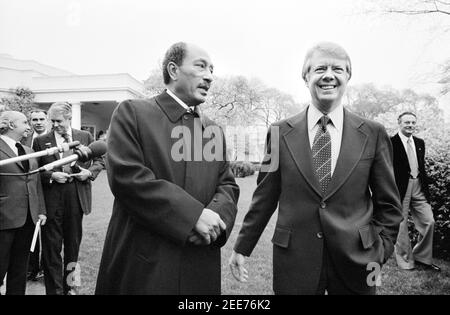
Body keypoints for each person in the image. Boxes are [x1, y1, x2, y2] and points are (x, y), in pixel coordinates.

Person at [229, 42, 403, 295]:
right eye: (320, 68)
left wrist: (381, 250)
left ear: (348, 76)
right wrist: (242, 247)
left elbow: (389, 205)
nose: (329, 75)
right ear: (306, 76)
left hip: (359, 260)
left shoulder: (373, 133)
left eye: (338, 69)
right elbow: (264, 197)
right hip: (294, 260)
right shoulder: (279, 132)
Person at [95, 42, 239, 295]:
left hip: (199, 261)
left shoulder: (212, 130)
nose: (210, 76)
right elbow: (127, 177)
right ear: (173, 70)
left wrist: (214, 220)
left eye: (212, 70)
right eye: (201, 66)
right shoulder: (132, 112)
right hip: (143, 264)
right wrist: (192, 217)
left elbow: (227, 184)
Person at [33, 102, 104, 295]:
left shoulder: (85, 136)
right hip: (52, 199)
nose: (55, 125)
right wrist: (51, 176)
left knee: (73, 246)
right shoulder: (41, 141)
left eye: (59, 121)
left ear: (69, 118)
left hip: (76, 196)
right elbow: (35, 171)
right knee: (51, 248)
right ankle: (54, 290)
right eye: (52, 121)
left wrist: (88, 173)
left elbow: (99, 160)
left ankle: (71, 286)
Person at [0, 111, 47, 295]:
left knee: (20, 270)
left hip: (28, 218)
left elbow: (35, 182)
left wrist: (40, 210)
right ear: (11, 125)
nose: (29, 126)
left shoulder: (29, 151)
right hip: (4, 218)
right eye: (25, 122)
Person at [391, 112, 440, 271]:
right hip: (400, 188)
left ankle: (421, 257)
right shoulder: (391, 142)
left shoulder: (420, 142)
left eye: (413, 122)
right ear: (399, 123)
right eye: (407, 122)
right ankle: (405, 261)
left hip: (418, 185)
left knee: (429, 221)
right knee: (401, 224)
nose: (410, 125)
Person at [22, 109, 49, 281]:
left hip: (52, 191)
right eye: (34, 119)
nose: (38, 122)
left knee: (51, 235)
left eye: (41, 119)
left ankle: (49, 268)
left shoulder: (55, 139)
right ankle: (32, 268)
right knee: (31, 232)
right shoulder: (24, 140)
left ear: (47, 120)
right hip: (31, 192)